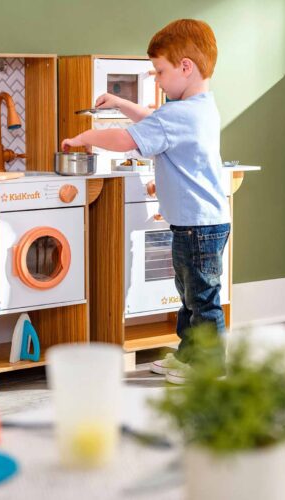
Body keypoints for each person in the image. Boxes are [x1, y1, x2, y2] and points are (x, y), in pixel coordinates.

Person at [61, 19, 230, 384]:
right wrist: (122, 102)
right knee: (189, 295)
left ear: (186, 67)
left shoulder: (179, 113)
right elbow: (155, 121)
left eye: (160, 71)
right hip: (197, 223)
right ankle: (190, 356)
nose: (157, 79)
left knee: (201, 299)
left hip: (199, 226)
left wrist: (84, 136)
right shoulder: (198, 108)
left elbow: (128, 139)